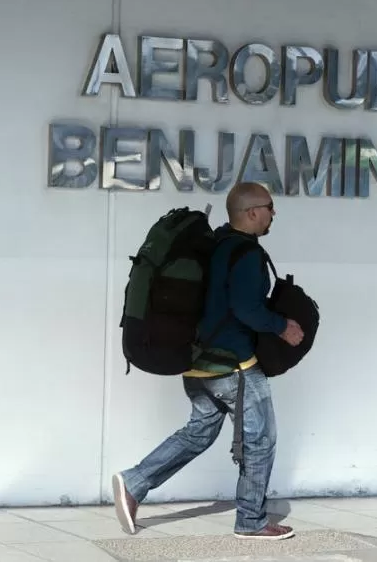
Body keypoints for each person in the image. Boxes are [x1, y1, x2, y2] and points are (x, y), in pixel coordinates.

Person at [111, 182, 304, 539]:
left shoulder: (213, 244)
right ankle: (251, 521)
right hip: (233, 367)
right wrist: (283, 327)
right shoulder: (244, 254)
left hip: (196, 364)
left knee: (199, 432)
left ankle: (134, 482)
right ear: (251, 212)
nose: (273, 213)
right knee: (260, 439)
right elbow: (247, 309)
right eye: (270, 207)